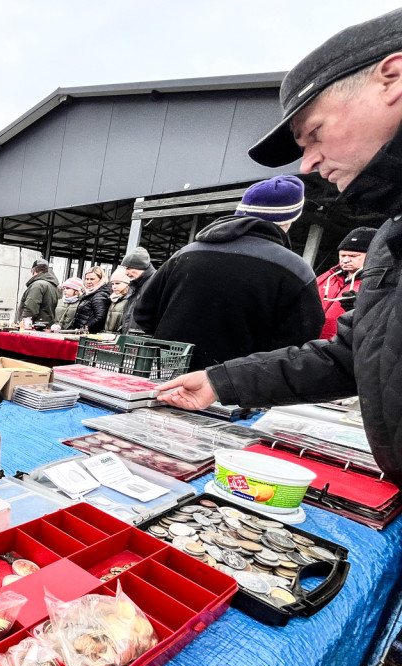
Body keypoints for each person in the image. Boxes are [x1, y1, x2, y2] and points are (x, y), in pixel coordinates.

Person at [157, 9, 402, 485]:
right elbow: (346, 356)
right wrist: (219, 381)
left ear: (392, 78)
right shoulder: (392, 237)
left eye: (315, 134)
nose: (309, 163)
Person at [135, 176, 324, 371]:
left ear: (241, 210)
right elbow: (300, 344)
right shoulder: (296, 270)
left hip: (166, 376)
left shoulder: (186, 254)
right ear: (290, 220)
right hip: (236, 389)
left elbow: (143, 313)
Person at [316, 226, 377, 339]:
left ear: (371, 256)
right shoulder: (327, 277)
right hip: (310, 343)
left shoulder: (379, 283)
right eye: (342, 255)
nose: (345, 260)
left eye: (353, 256)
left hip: (345, 348)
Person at [117, 247, 156, 334]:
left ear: (140, 267)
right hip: (131, 338)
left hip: (142, 340)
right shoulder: (134, 284)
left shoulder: (155, 283)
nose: (126, 273)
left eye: (128, 268)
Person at [17, 259, 59, 325]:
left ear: (33, 271)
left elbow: (31, 308)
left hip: (36, 326)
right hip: (47, 325)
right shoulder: (52, 285)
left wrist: (23, 324)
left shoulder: (37, 285)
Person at [72, 266, 112, 333]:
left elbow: (100, 318)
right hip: (82, 332)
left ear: (101, 279)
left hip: (88, 334)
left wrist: (84, 329)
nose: (88, 282)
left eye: (92, 279)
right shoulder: (88, 293)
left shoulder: (99, 295)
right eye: (87, 279)